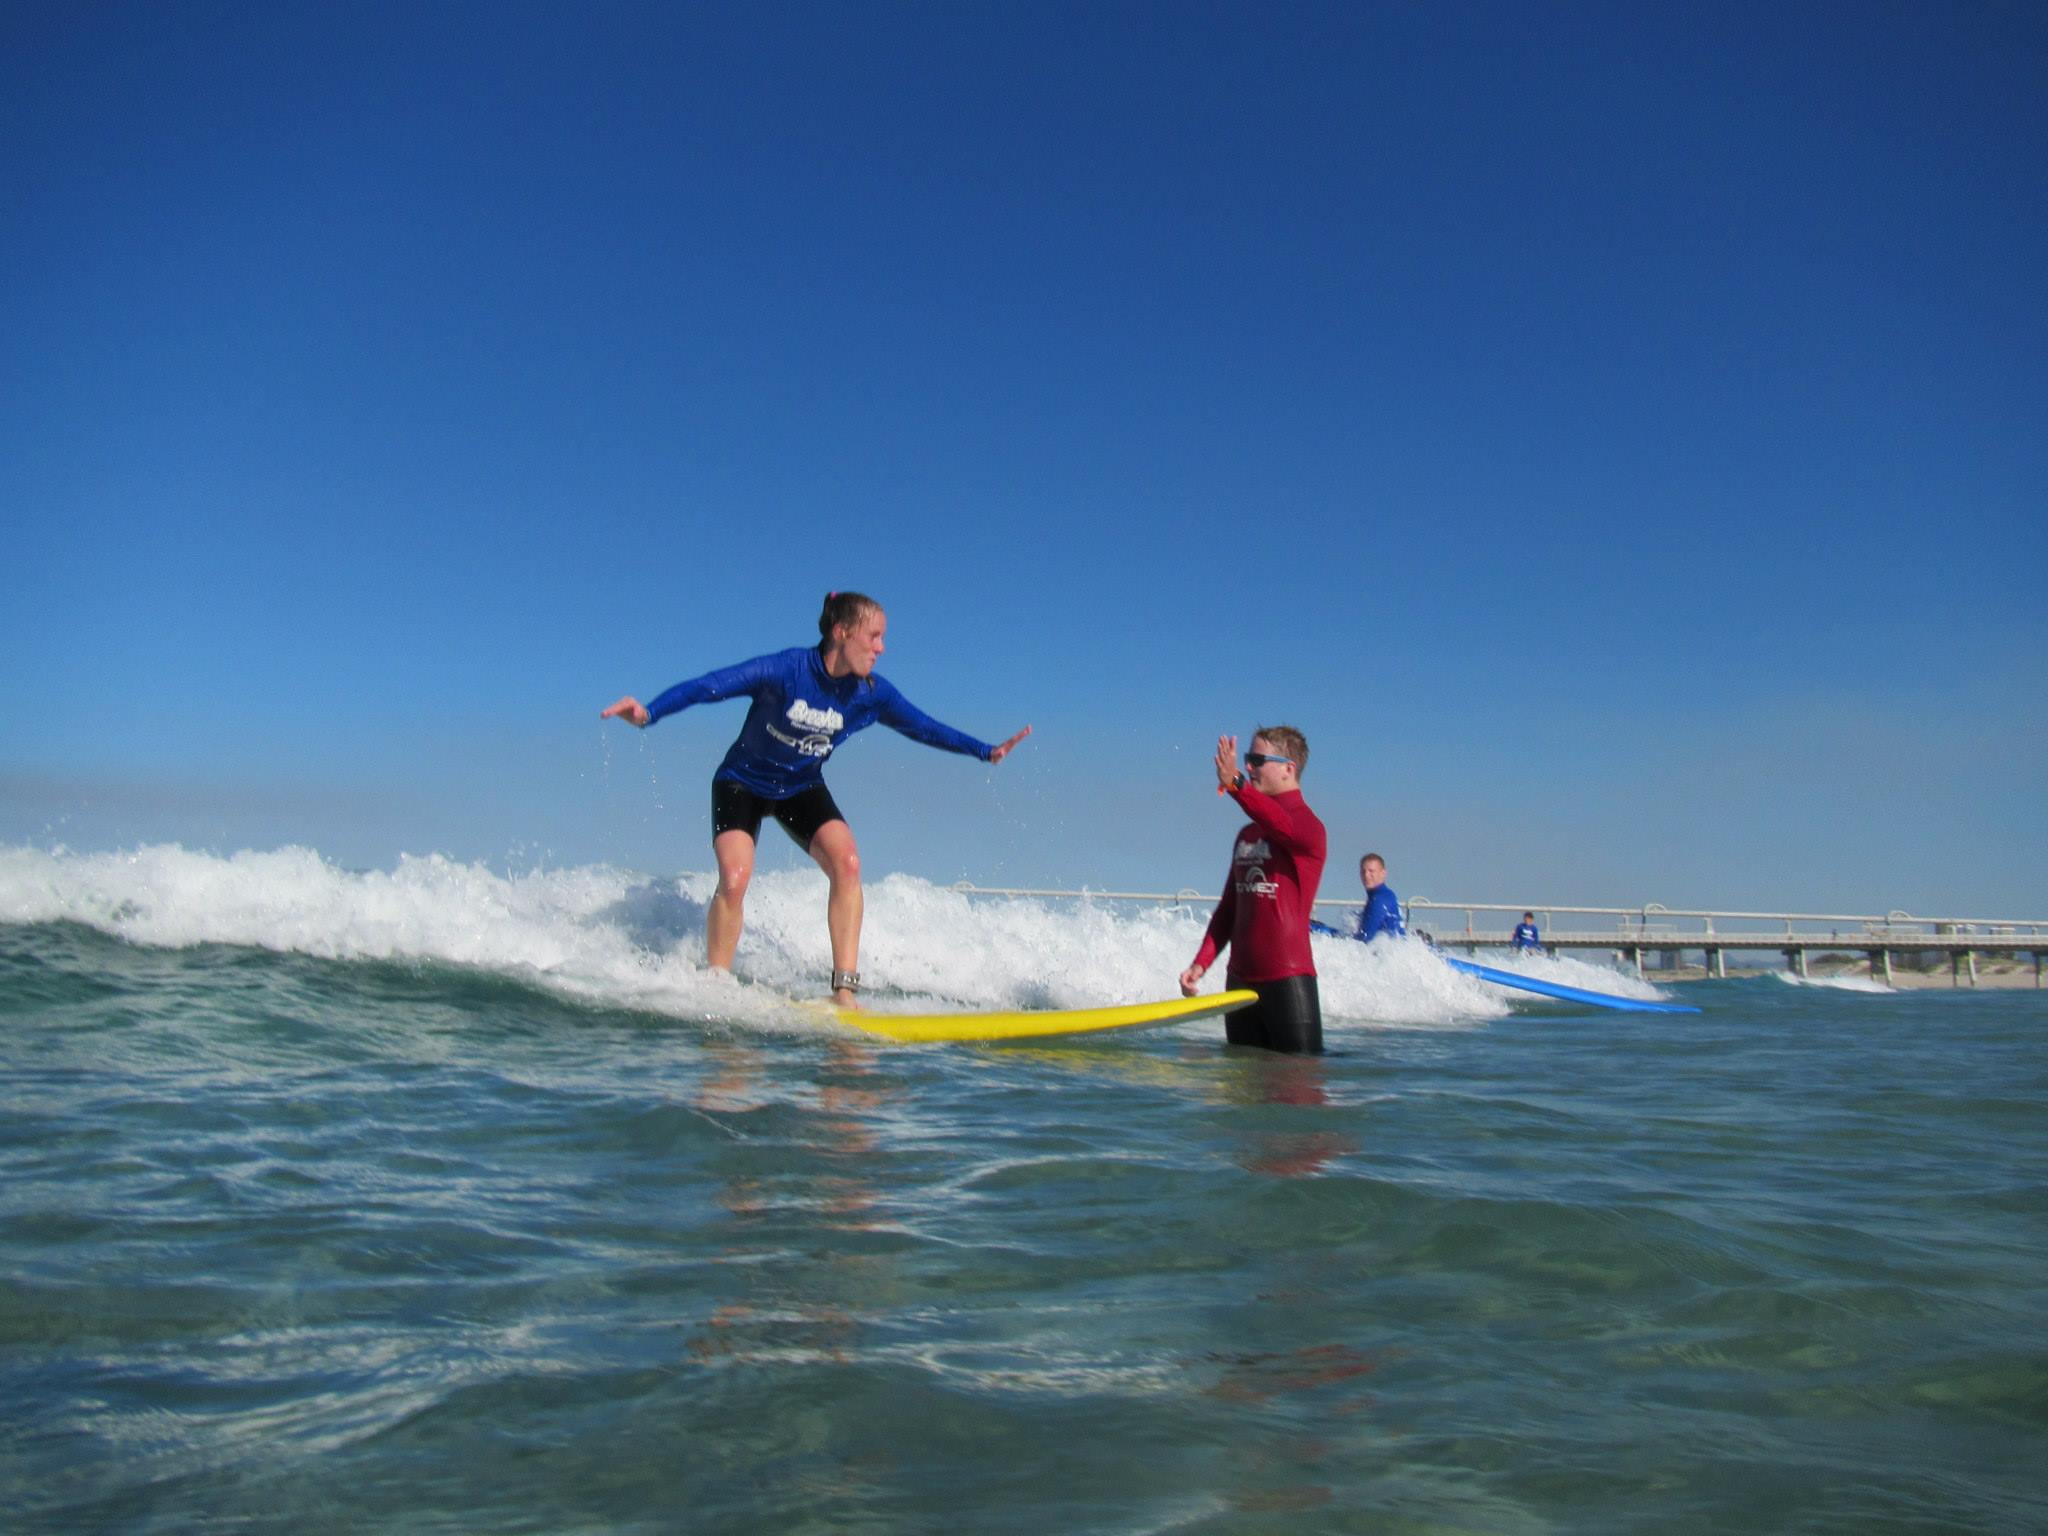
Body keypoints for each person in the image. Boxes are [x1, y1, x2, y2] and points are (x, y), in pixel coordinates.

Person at [602, 592, 1030, 1007]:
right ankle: (716, 983)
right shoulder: (787, 669)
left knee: (848, 864)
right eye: (874, 636)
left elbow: (923, 726)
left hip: (800, 787)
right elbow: (710, 686)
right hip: (741, 783)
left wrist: (983, 750)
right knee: (734, 879)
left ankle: (844, 991)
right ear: (842, 632)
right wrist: (649, 713)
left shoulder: (871, 694)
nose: (882, 647)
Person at [1178, 728, 1328, 1053]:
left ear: (1289, 767)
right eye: (1247, 760)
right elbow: (1229, 909)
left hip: (1288, 981)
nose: (1249, 767)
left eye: (1257, 760)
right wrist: (1200, 963)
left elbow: (1280, 823)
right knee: (1242, 1092)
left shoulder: (1308, 827)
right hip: (1240, 982)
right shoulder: (1247, 834)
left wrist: (1234, 784)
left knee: (1298, 1092)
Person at [1355, 853, 1405, 942]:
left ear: (1383, 873)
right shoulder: (1386, 895)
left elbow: (1363, 939)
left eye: (1371, 871)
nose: (1366, 875)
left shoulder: (1379, 899)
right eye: (1363, 871)